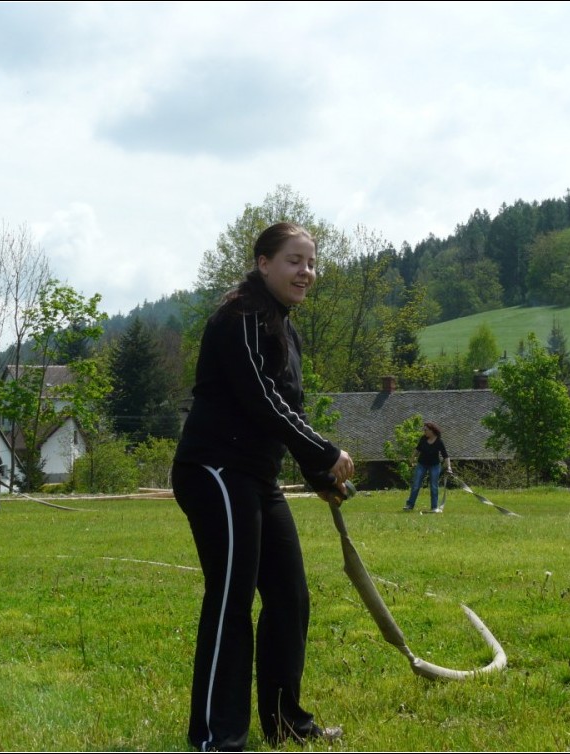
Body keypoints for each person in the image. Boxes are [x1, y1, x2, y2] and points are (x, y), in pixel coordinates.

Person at [171, 222, 354, 752]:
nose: (306, 272)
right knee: (231, 600)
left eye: (311, 263)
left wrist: (319, 476)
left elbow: (289, 410)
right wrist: (326, 451)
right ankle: (218, 738)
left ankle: (286, 724)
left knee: (289, 597)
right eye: (294, 261)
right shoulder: (242, 316)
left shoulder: (284, 329)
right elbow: (260, 398)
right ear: (264, 263)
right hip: (215, 472)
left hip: (256, 477)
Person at [403, 421, 452, 513]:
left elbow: (445, 456)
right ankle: (409, 505)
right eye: (424, 430)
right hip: (422, 464)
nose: (424, 432)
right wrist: (412, 459)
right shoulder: (423, 439)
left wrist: (449, 467)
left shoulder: (439, 441)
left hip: (435, 466)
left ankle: (434, 507)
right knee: (416, 484)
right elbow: (417, 449)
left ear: (431, 431)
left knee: (434, 486)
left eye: (425, 430)